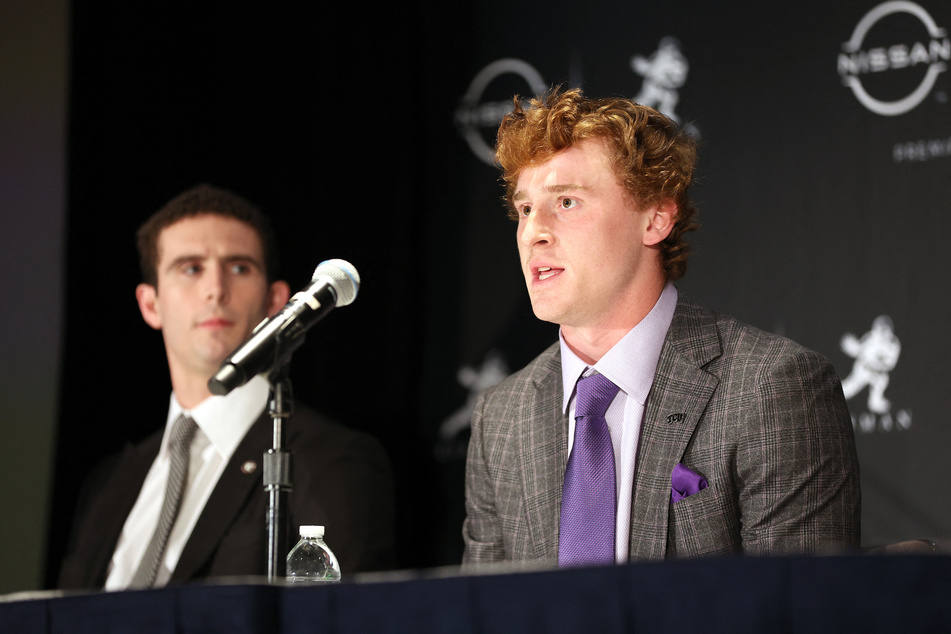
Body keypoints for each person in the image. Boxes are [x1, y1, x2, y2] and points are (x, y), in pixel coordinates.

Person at [462, 88, 860, 567]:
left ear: (655, 219)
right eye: (525, 209)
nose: (533, 232)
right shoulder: (501, 419)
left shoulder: (771, 389)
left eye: (565, 202)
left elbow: (801, 614)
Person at [59, 184, 396, 590]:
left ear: (276, 301)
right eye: (191, 268)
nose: (216, 289)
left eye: (239, 268)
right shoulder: (109, 481)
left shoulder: (332, 461)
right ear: (151, 304)